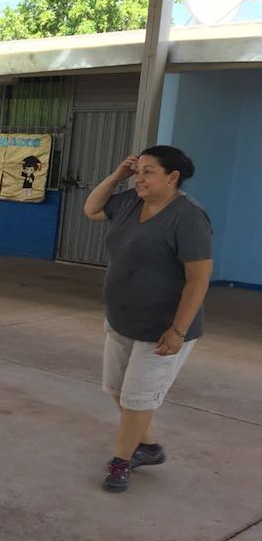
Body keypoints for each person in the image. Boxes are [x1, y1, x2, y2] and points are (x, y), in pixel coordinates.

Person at [83, 147, 212, 493]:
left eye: (149, 171)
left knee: (136, 398)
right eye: (137, 170)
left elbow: (199, 277)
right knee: (118, 390)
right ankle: (149, 447)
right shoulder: (128, 202)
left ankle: (122, 461)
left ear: (172, 178)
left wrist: (178, 330)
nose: (139, 178)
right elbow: (92, 209)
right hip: (122, 320)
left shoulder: (188, 217)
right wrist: (116, 176)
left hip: (163, 329)